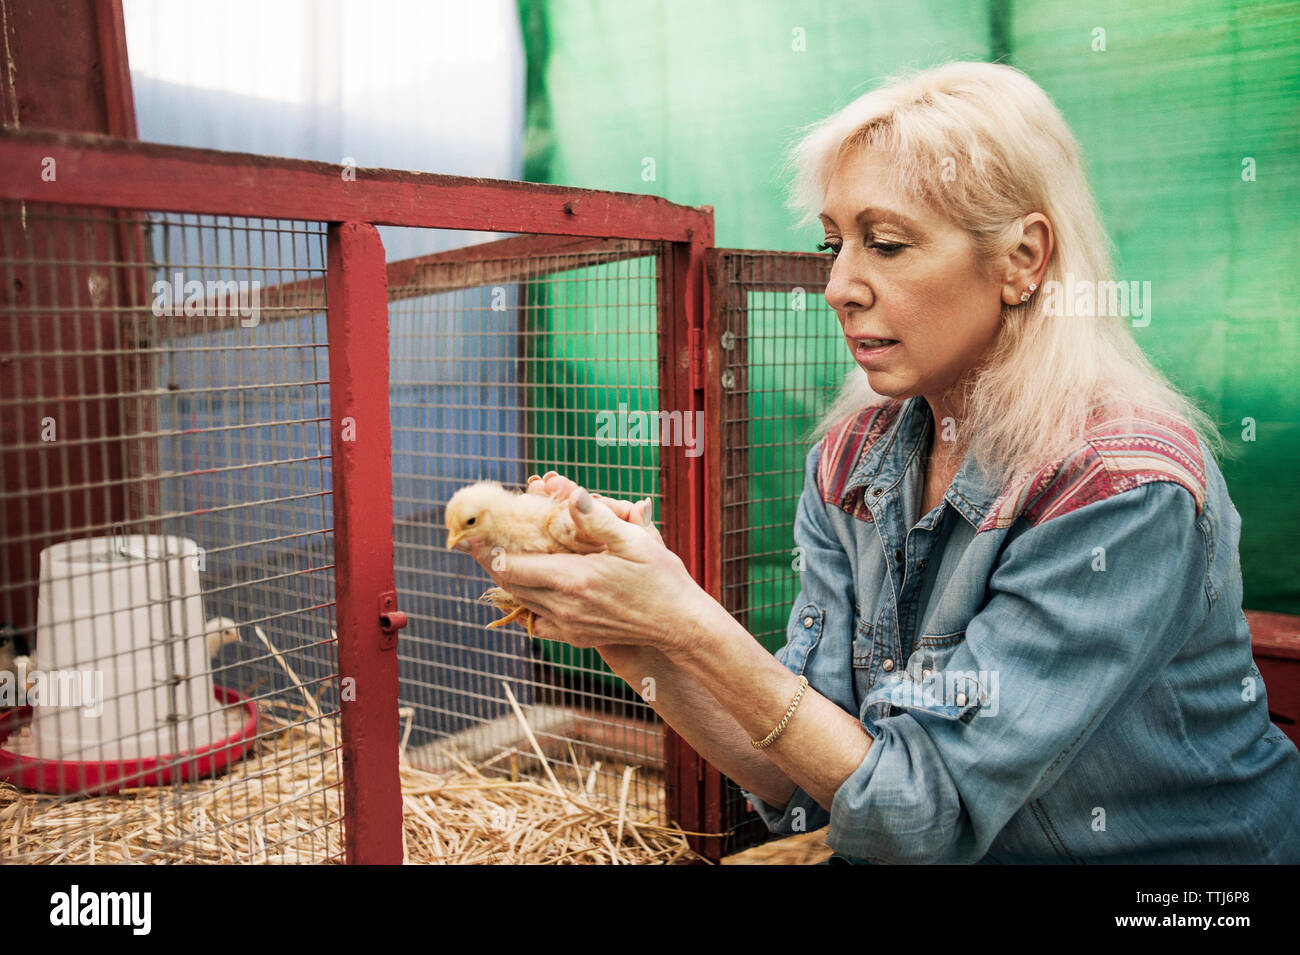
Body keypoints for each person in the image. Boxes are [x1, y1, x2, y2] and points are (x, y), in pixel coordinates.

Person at [464, 61, 1300, 863]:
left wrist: (689, 617)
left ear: (1023, 260)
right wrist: (633, 634)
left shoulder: (1121, 490)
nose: (838, 285)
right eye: (835, 243)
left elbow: (916, 812)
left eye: (888, 244)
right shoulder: (853, 461)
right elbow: (804, 778)